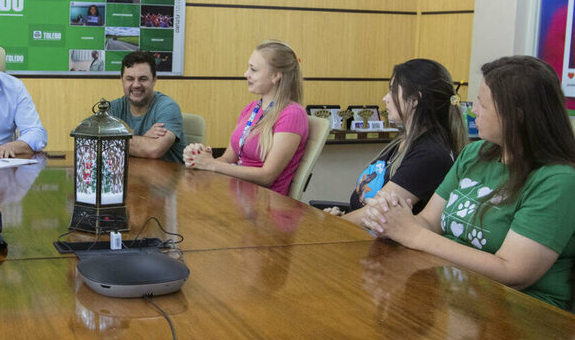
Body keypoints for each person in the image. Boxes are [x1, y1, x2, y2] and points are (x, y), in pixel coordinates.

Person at [361, 56, 575, 310]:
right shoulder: (475, 154)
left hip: (523, 316)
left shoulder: (558, 180)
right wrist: (389, 217)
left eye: (483, 105)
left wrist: (414, 234)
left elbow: (513, 272)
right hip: (458, 296)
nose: (473, 111)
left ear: (516, 116)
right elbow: (429, 222)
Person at [324, 59, 468, 227]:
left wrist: (332, 224)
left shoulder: (429, 154)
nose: (385, 98)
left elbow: (376, 213)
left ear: (414, 100)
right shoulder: (404, 141)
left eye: (392, 91)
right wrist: (339, 216)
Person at [184, 40, 308, 195]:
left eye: (253, 69)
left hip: (265, 205)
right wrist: (203, 159)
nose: (246, 74)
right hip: (237, 194)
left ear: (275, 76)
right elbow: (228, 159)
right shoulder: (252, 109)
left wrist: (212, 165)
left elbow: (267, 176)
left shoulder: (292, 114)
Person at [107, 51, 186, 163]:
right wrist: (144, 138)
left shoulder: (168, 107)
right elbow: (96, 144)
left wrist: (113, 140)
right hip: (133, 176)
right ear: (122, 80)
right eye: (130, 79)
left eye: (143, 79)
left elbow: (154, 149)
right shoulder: (113, 108)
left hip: (170, 178)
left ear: (154, 80)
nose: (136, 85)